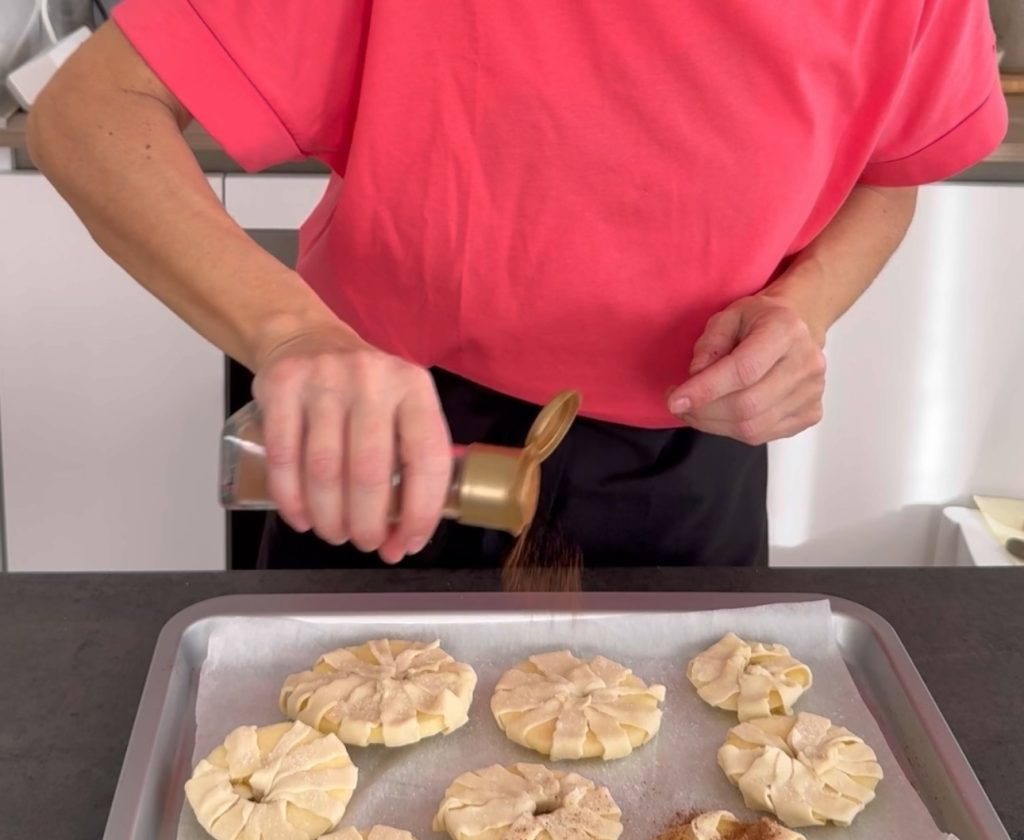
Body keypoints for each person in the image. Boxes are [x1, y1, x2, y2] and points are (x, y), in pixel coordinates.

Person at [28, 1, 1006, 569]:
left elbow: (892, 169)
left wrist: (804, 308)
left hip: (688, 462)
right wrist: (295, 334)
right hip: (391, 438)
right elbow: (87, 113)